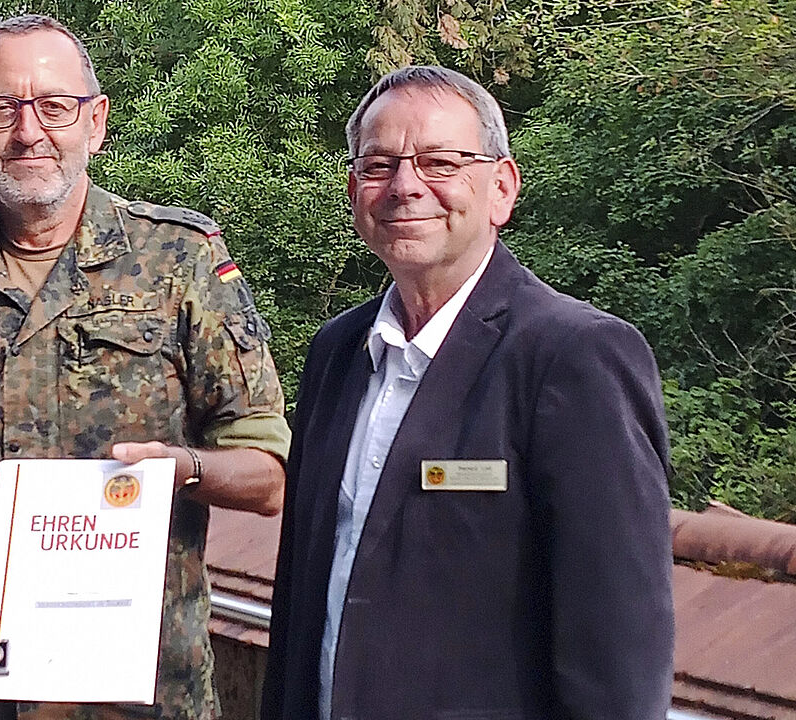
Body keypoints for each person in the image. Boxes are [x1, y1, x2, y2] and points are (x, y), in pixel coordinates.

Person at [0, 14, 290, 720]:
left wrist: (183, 469)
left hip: (139, 696)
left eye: (54, 106)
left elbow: (268, 474)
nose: (27, 132)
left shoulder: (181, 261)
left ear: (96, 123)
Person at [261, 66, 674, 719]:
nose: (405, 186)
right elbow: (299, 603)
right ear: (353, 189)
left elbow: (618, 637)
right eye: (379, 165)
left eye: (440, 162)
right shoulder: (338, 352)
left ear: (501, 189)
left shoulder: (573, 357)